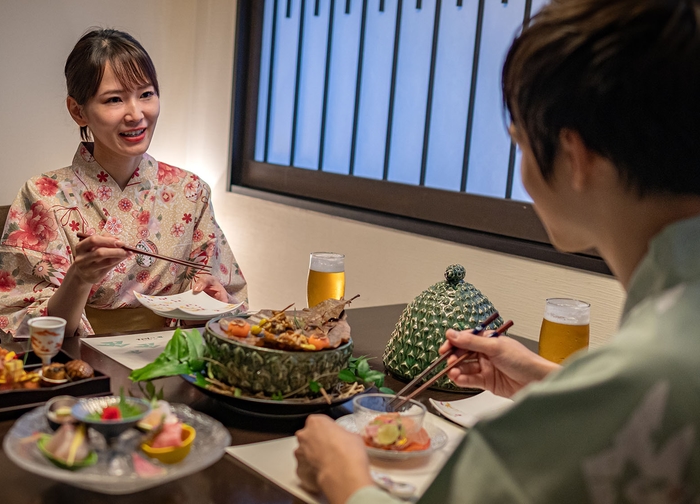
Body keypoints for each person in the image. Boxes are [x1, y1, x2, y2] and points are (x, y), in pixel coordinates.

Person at [295, 0, 700, 502]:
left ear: (575, 156)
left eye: (519, 142)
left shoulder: (642, 375)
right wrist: (552, 381)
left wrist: (345, 479)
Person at [0, 29, 247, 341]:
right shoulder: (42, 195)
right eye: (114, 99)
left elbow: (232, 305)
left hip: (172, 361)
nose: (136, 114)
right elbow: (25, 330)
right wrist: (79, 278)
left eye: (146, 94)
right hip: (82, 364)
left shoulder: (190, 192)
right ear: (78, 111)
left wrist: (211, 305)